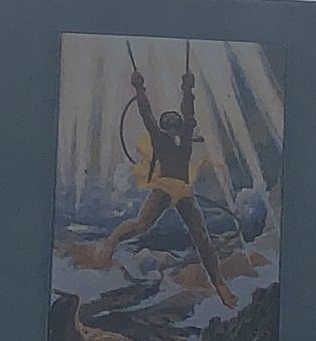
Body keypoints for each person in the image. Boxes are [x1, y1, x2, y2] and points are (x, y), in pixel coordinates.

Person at [89, 60, 239, 307]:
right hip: (164, 186)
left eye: (174, 125)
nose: (171, 130)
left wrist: (188, 89)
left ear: (179, 127)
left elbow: (188, 111)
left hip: (182, 190)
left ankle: (220, 285)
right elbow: (146, 113)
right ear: (163, 128)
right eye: (167, 126)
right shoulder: (159, 138)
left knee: (201, 237)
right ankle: (112, 240)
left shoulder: (186, 138)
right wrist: (139, 89)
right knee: (141, 224)